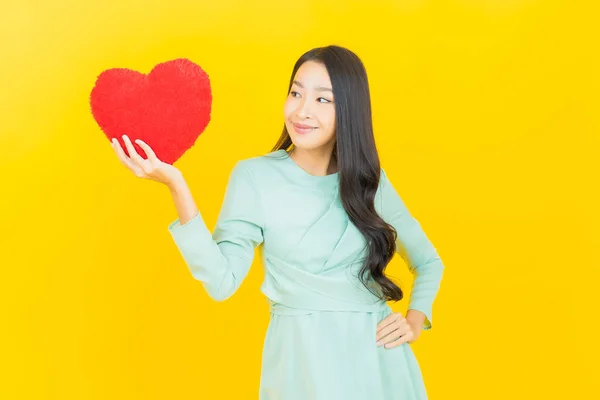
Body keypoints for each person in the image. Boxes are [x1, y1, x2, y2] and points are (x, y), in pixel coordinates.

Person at [110, 45, 445, 400]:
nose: (302, 110)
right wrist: (176, 185)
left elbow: (428, 263)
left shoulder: (370, 181)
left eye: (322, 100)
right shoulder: (255, 176)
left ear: (349, 110)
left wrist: (414, 321)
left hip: (378, 368)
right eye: (296, 93)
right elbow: (221, 282)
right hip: (298, 367)